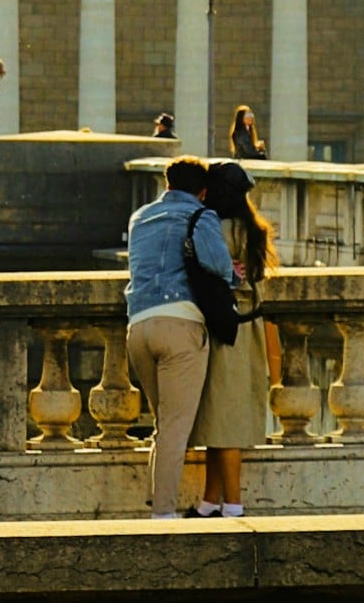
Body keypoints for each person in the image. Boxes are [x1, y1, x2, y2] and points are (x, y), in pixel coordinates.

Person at [124, 156, 233, 519]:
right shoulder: (201, 215)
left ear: (166, 184)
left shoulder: (139, 216)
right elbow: (216, 263)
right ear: (202, 192)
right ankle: (163, 515)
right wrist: (232, 272)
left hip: (138, 326)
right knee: (174, 428)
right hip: (179, 324)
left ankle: (157, 500)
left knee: (162, 424)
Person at [187, 160, 279, 519]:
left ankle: (233, 504)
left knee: (224, 418)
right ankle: (210, 501)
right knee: (220, 417)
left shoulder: (216, 228)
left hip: (224, 328)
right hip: (246, 326)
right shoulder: (251, 229)